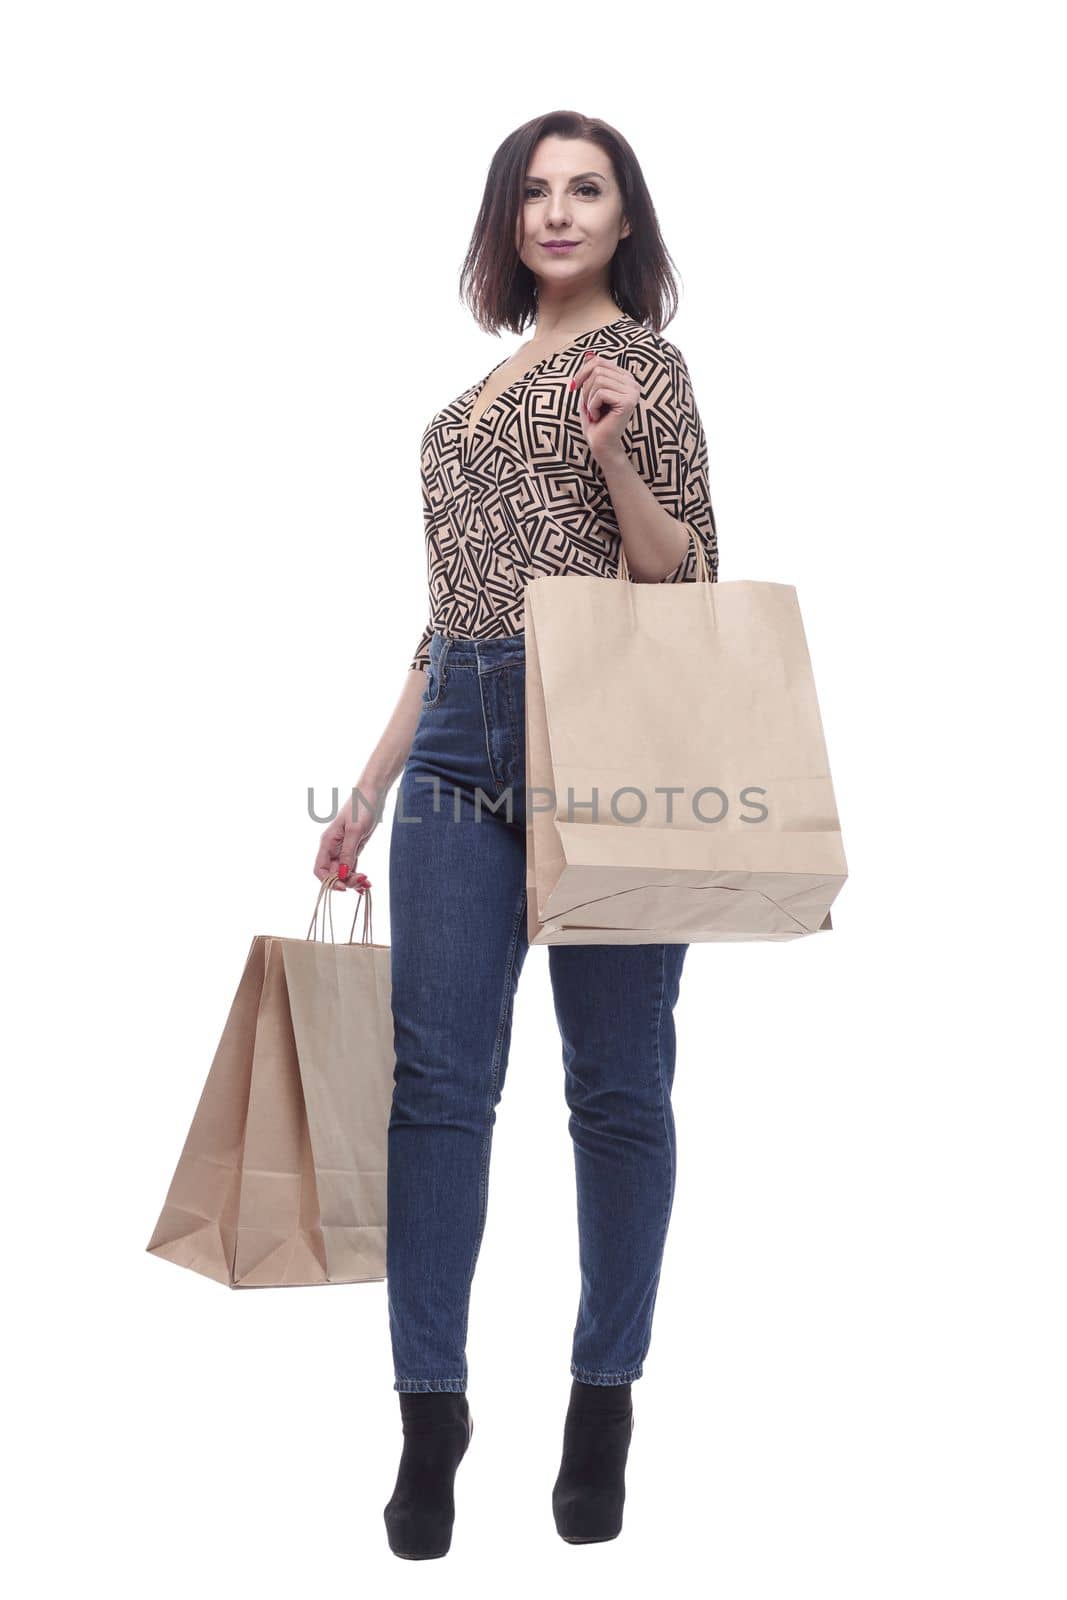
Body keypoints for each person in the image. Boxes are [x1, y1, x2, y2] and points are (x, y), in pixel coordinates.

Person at [314, 109, 718, 1559]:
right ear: (510, 219)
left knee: (614, 1087)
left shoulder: (645, 370)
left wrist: (615, 452)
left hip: (604, 736)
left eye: (585, 190)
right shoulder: (468, 401)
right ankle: (433, 1415)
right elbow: (445, 622)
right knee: (437, 1089)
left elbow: (682, 581)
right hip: (460, 744)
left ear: (624, 220)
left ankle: (602, 1403)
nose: (557, 211)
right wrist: (365, 791)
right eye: (534, 191)